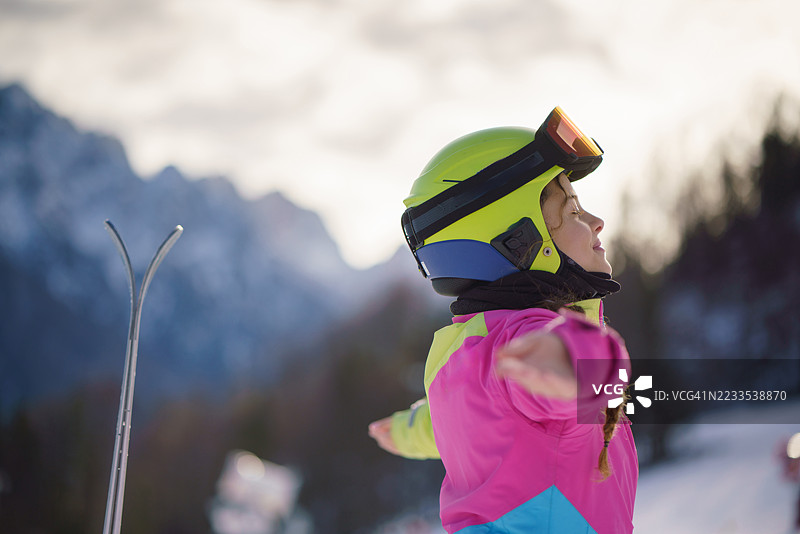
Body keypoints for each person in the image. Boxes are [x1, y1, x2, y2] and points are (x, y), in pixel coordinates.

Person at [368, 107, 638, 534]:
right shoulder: (526, 346)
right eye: (573, 212)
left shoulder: (462, 355)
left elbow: (444, 425)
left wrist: (402, 432)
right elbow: (578, 377)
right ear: (518, 241)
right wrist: (569, 350)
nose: (596, 222)